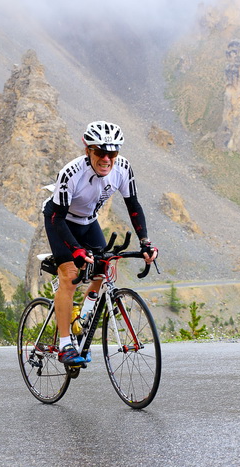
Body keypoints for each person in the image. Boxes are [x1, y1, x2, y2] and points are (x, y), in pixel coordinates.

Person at [43, 121, 158, 366]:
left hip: (88, 220)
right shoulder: (71, 172)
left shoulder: (123, 168)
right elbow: (58, 218)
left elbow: (134, 206)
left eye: (113, 153)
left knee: (103, 268)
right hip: (60, 219)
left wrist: (145, 242)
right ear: (88, 151)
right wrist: (75, 249)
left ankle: (80, 319)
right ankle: (65, 344)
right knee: (70, 274)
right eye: (100, 152)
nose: (107, 158)